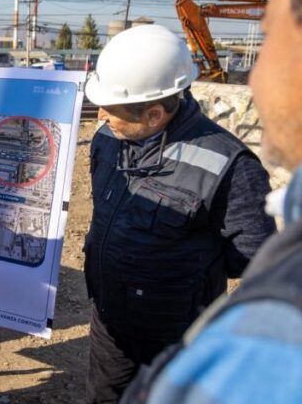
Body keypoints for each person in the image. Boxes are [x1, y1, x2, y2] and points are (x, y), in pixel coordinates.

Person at [121, 0, 302, 402]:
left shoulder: (268, 343)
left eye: (268, 36)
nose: (256, 77)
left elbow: (245, 256)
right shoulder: (110, 147)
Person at [82, 23, 276, 403]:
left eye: (112, 108)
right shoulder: (107, 139)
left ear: (154, 115)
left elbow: (253, 260)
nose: (101, 114)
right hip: (109, 321)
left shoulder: (230, 166)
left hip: (177, 339)